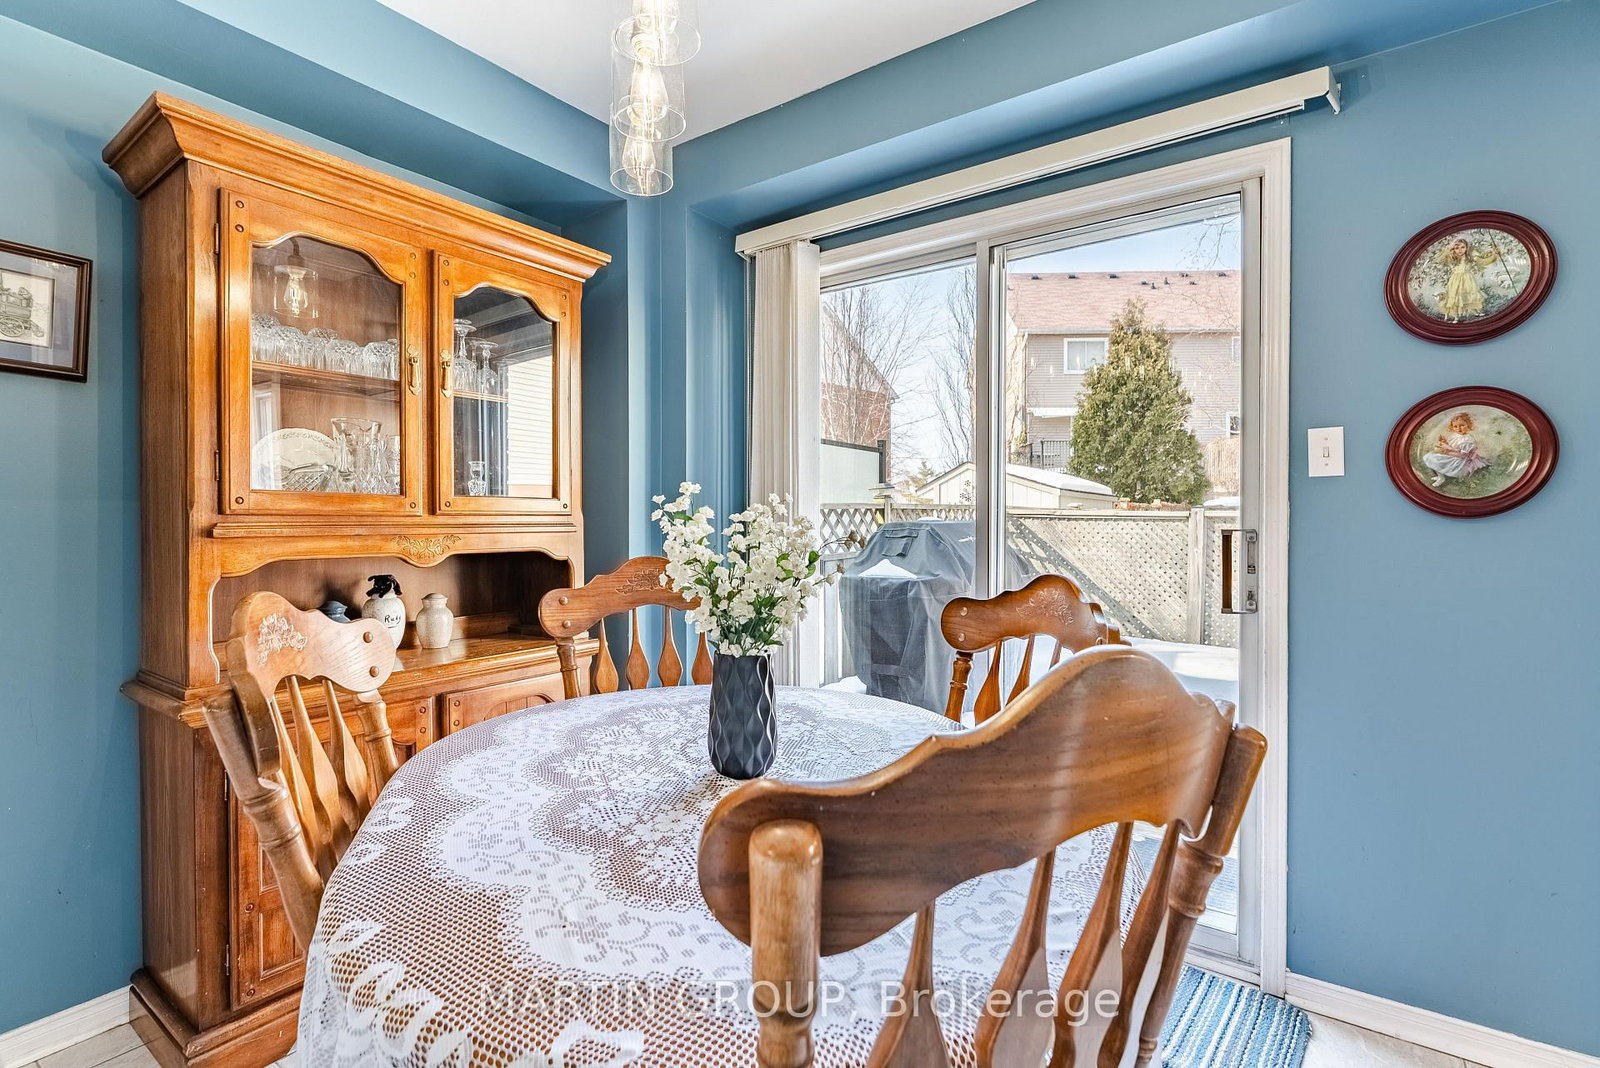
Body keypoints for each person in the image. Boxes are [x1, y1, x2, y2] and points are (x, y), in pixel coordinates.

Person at [1435, 236, 1501, 321]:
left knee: (1471, 295)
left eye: (1463, 247)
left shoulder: (1470, 257)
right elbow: (1440, 260)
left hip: (1468, 280)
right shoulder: (1452, 258)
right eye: (1457, 248)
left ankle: (1476, 311)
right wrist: (1449, 248)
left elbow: (1483, 262)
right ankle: (1456, 316)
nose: (1460, 250)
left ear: (1466, 248)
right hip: (1455, 281)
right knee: (1456, 296)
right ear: (1453, 249)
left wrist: (1495, 255)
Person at [1421, 412, 1491, 487]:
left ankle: (1441, 478)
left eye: (1462, 425)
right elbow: (1451, 445)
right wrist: (1445, 443)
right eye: (1455, 426)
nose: (1458, 428)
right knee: (1430, 457)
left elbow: (1463, 455)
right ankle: (1440, 476)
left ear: (1468, 425)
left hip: (1460, 460)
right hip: (1452, 455)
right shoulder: (1454, 436)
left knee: (1436, 459)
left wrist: (1446, 452)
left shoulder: (1468, 440)